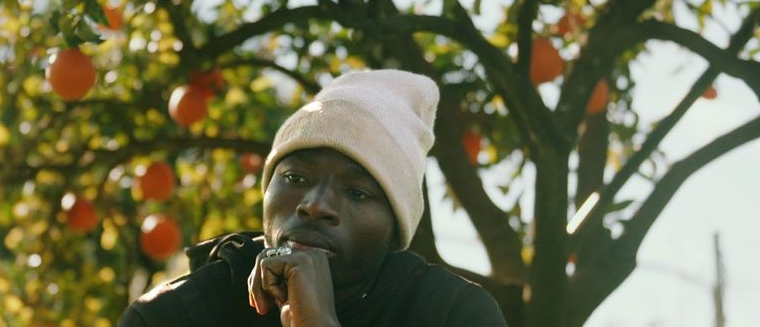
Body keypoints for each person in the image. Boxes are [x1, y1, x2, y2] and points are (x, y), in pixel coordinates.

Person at [120, 69, 508, 326]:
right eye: (294, 177)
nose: (315, 204)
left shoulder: (453, 315)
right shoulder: (172, 316)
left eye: (357, 192)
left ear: (394, 229)